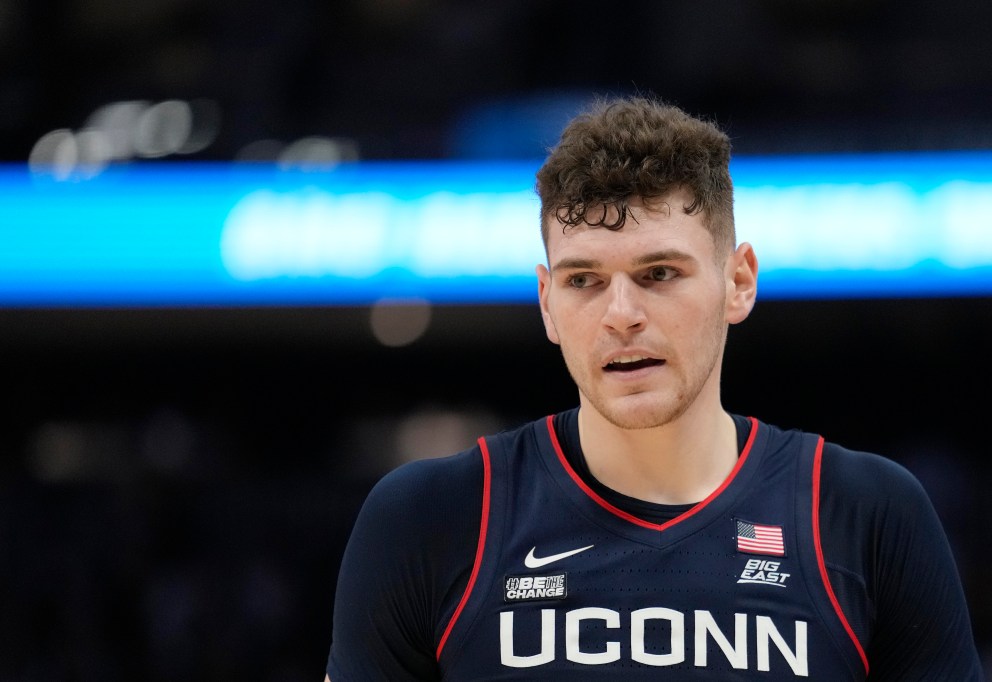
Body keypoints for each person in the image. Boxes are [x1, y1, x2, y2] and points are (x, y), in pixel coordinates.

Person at [323, 95, 984, 680]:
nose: (621, 314)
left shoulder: (866, 515)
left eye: (660, 273)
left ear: (739, 281)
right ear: (547, 302)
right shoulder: (429, 518)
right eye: (584, 280)